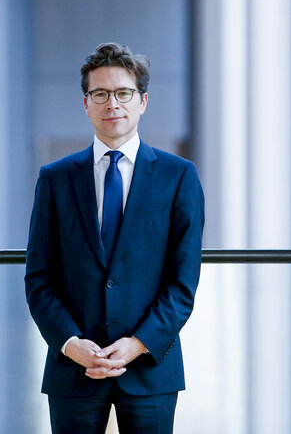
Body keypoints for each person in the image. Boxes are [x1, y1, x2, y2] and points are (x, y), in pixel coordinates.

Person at [25, 42, 205, 433]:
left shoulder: (179, 176)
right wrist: (72, 345)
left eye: (124, 93)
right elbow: (39, 279)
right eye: (101, 94)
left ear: (143, 101)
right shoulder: (55, 179)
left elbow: (183, 283)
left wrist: (137, 343)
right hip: (73, 369)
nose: (113, 104)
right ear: (86, 103)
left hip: (150, 367)